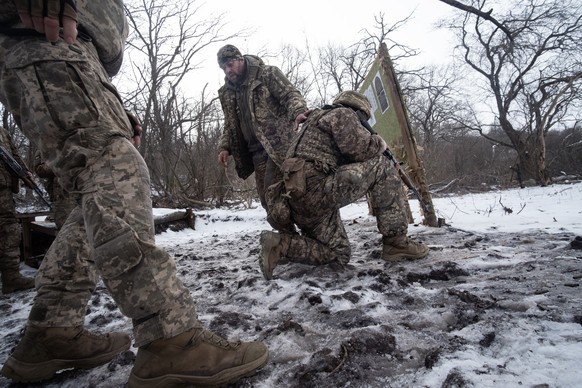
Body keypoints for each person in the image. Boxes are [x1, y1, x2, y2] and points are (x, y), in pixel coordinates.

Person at [0, 1, 268, 386]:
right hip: (43, 39)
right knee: (115, 168)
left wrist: (116, 107)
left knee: (95, 191)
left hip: (69, 54)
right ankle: (170, 339)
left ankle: (51, 329)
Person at [258, 91, 429, 280]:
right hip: (316, 191)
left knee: (339, 253)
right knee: (382, 167)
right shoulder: (342, 113)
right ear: (358, 110)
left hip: (296, 201)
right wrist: (380, 143)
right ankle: (396, 243)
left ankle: (280, 245)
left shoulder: (313, 122)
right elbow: (361, 150)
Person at [216, 44, 310, 227]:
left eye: (230, 64)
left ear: (240, 59)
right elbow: (230, 123)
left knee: (289, 193)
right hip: (255, 153)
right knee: (268, 201)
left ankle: (305, 234)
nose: (227, 70)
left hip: (280, 147)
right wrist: (224, 146)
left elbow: (290, 95)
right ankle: (288, 238)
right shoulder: (226, 93)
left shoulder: (267, 74)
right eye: (223, 67)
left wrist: (298, 111)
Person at [0, 125, 35, 294]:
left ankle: (11, 277)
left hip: (3, 189)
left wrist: (25, 172)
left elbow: (14, 154)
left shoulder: (2, 131)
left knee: (10, 231)